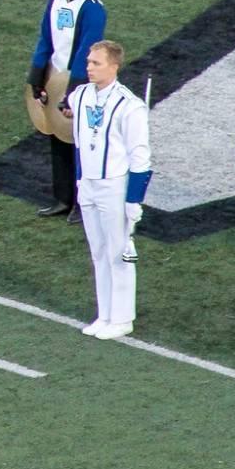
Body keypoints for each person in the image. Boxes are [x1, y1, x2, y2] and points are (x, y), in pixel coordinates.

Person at [63, 40, 151, 337]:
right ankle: (105, 314)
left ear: (114, 66)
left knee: (119, 253)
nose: (89, 67)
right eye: (89, 62)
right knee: (98, 252)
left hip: (114, 185)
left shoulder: (130, 106)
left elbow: (140, 156)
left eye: (96, 63)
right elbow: (78, 135)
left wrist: (134, 199)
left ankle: (122, 318)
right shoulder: (80, 96)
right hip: (87, 182)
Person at [29, 0, 106, 221]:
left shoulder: (93, 8)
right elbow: (45, 40)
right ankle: (61, 198)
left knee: (80, 145)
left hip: (81, 84)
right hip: (55, 76)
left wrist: (71, 93)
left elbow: (88, 56)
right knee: (56, 137)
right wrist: (36, 78)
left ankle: (82, 204)